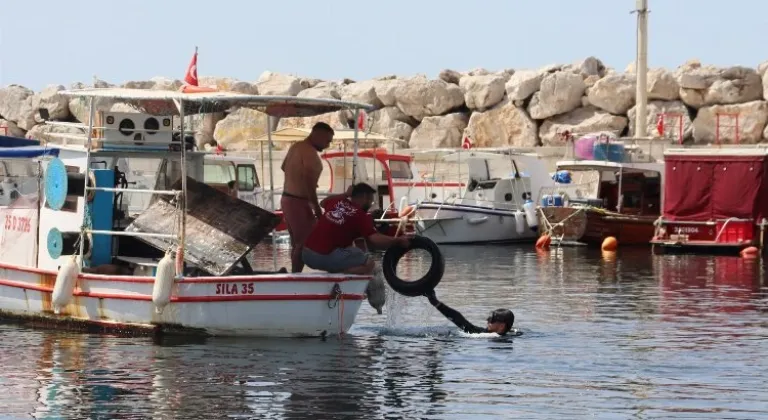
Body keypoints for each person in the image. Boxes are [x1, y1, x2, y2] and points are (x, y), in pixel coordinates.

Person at [303, 183, 410, 274]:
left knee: (352, 250)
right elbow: (374, 239)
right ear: (364, 197)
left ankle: (337, 270)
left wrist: (345, 194)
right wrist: (398, 240)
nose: (370, 204)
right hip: (322, 258)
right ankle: (339, 277)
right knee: (370, 265)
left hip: (306, 254)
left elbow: (323, 202)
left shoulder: (336, 202)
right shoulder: (361, 215)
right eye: (371, 201)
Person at [280, 122, 335, 273]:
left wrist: (296, 179)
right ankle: (295, 277)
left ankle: (294, 274)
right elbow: (309, 183)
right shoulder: (310, 154)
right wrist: (316, 208)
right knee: (304, 242)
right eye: (327, 140)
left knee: (297, 242)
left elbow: (284, 167)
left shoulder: (296, 147)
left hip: (287, 199)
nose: (328, 145)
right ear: (318, 135)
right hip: (298, 201)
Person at [424, 289, 518, 336]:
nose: (488, 320)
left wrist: (436, 303)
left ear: (502, 326)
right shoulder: (512, 334)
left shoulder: (485, 336)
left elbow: (460, 320)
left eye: (492, 319)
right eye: (489, 318)